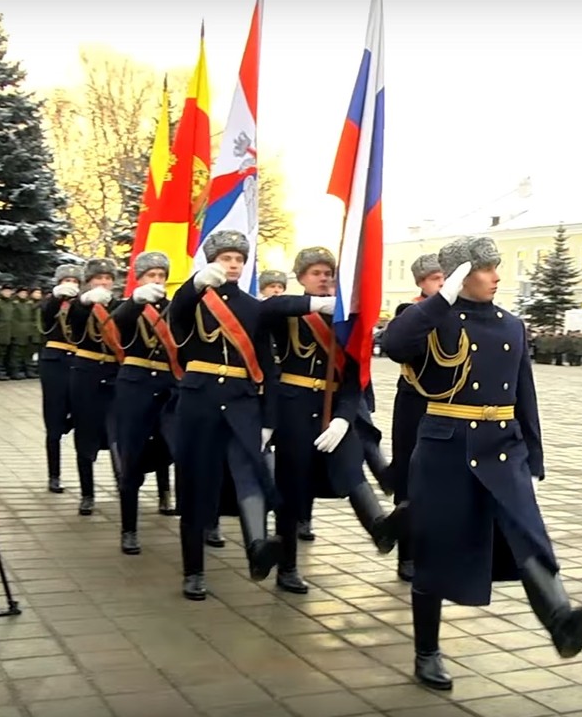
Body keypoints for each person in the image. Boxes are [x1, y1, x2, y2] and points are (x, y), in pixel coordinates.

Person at [380, 235, 582, 691]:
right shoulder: (428, 319)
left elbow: (524, 391)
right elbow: (394, 344)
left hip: (503, 448)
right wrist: (443, 297)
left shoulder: (511, 324)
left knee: (528, 534)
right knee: (435, 551)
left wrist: (535, 456)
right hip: (446, 450)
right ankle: (426, 653)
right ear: (462, 276)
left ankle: (562, 623)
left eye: (495, 267)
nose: (496, 276)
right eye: (485, 269)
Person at [165, 229, 332, 601]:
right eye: (226, 258)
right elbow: (175, 316)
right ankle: (193, 571)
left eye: (239, 259)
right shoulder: (195, 299)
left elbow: (268, 365)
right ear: (211, 262)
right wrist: (194, 286)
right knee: (196, 485)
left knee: (252, 474)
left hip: (242, 402)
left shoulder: (253, 305)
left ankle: (258, 547)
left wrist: (269, 418)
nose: (234, 264)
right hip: (199, 401)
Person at [267, 246, 403, 594]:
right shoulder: (290, 312)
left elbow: (354, 378)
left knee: (351, 467)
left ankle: (380, 528)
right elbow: (266, 308)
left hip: (334, 410)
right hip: (294, 409)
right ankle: (287, 567)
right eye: (316, 273)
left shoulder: (346, 322)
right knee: (291, 489)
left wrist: (344, 418)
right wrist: (314, 305)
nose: (324, 278)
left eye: (329, 273)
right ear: (301, 278)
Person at [109, 251, 180, 555]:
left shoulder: (175, 308)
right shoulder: (128, 306)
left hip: (167, 387)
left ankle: (169, 497)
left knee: (171, 447)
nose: (157, 280)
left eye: (161, 276)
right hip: (135, 386)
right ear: (138, 279)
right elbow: (116, 325)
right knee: (131, 455)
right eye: (151, 275)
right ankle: (129, 529)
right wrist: (136, 300)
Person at [387, 252, 445, 583]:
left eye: (444, 278)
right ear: (421, 283)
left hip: (447, 407)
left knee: (440, 482)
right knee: (410, 479)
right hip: (414, 403)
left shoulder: (458, 311)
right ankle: (406, 554)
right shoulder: (410, 312)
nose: (442, 283)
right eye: (436, 279)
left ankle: (431, 550)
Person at [65, 259, 124, 515]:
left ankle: (124, 486)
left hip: (114, 374)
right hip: (86, 374)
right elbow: (74, 325)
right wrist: (83, 302)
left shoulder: (121, 307)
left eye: (107, 278)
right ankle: (87, 493)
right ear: (89, 282)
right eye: (98, 278)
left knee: (118, 435)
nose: (103, 282)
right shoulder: (81, 307)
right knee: (85, 434)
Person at [38, 263, 84, 493]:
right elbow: (45, 317)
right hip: (54, 363)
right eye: (67, 280)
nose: (71, 285)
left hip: (78, 363)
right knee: (53, 421)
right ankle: (53, 475)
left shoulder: (82, 304)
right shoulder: (51, 302)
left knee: (82, 414)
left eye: (75, 282)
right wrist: (56, 299)